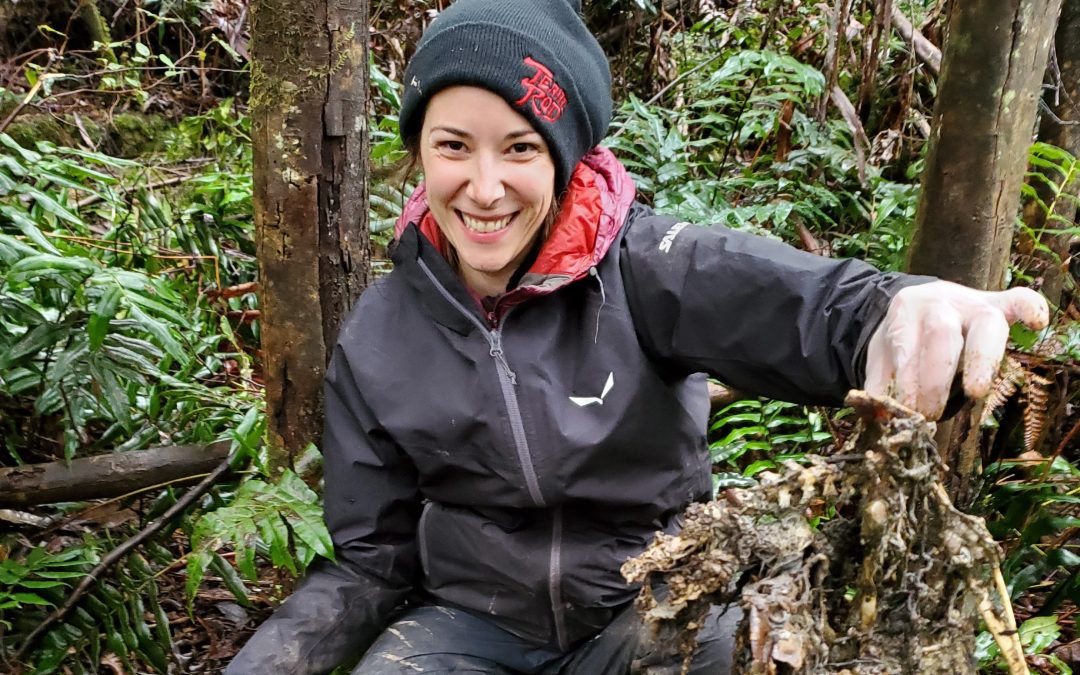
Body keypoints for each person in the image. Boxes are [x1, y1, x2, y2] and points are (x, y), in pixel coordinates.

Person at [226, 0, 1049, 672]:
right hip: (470, 624)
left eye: (519, 147)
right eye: (453, 146)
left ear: (564, 155)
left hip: (653, 601)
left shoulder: (645, 267)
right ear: (419, 154)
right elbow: (374, 560)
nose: (483, 187)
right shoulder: (381, 332)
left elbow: (803, 306)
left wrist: (898, 306)